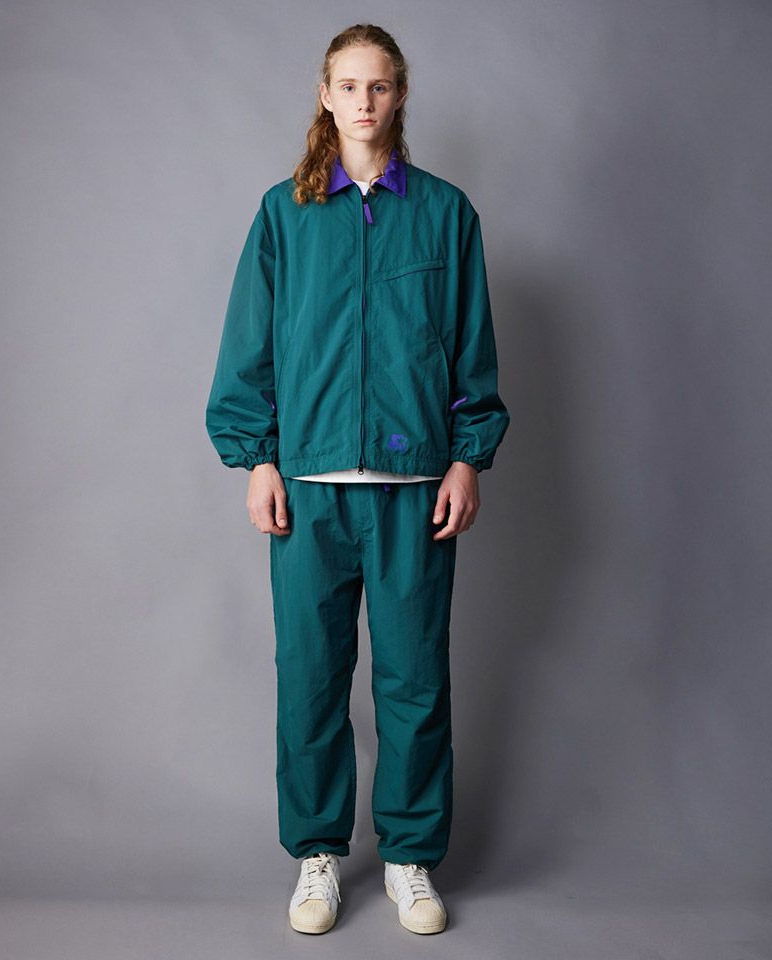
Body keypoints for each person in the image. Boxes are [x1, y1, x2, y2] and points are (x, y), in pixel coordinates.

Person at [205, 23, 510, 936]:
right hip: (308, 487)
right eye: (348, 86)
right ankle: (319, 855)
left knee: (415, 679)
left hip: (415, 486)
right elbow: (249, 350)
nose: (364, 101)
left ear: (399, 95)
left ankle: (411, 857)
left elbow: (471, 350)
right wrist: (258, 458)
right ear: (325, 96)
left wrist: (467, 457)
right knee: (310, 678)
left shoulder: (446, 214)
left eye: (379, 86)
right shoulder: (284, 214)